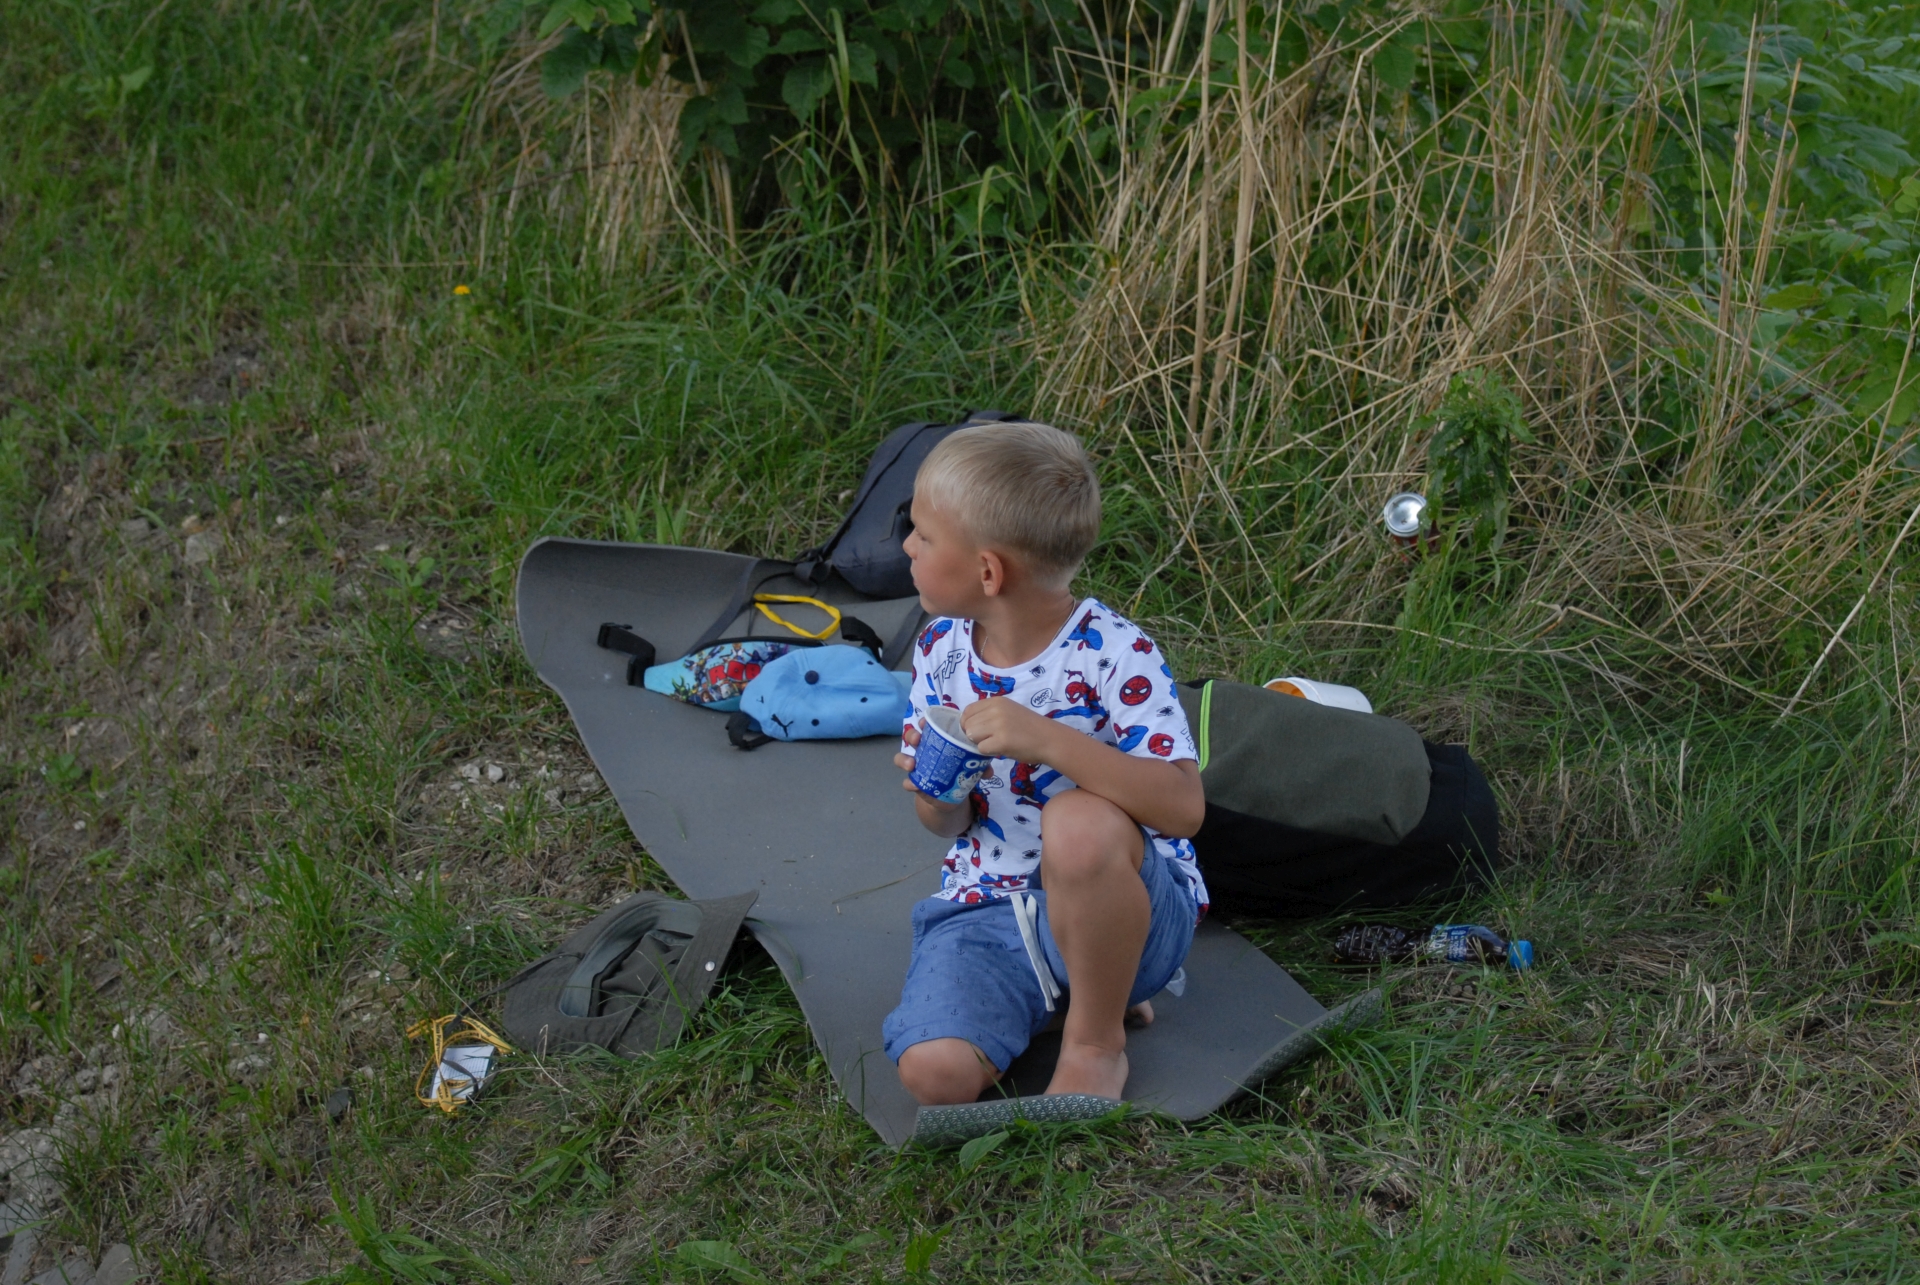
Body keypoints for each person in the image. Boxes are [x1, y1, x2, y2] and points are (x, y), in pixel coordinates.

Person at [881, 420, 1209, 1105]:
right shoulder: (940, 650)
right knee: (935, 1075)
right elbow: (943, 825)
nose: (907, 545)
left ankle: (1095, 1042)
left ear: (988, 571)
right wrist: (936, 795)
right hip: (988, 911)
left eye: (923, 535)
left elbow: (1184, 808)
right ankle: (1075, 994)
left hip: (1136, 912)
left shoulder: (1114, 653)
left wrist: (1048, 740)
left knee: (1077, 821)